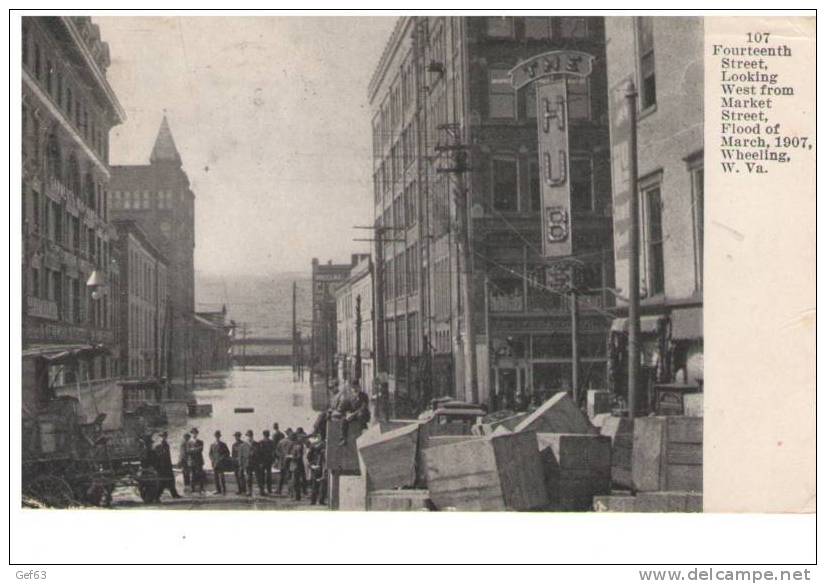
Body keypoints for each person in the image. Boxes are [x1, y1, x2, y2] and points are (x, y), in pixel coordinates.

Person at [335, 381, 371, 446]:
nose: (355, 389)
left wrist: (352, 414)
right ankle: (343, 439)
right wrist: (346, 414)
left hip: (363, 414)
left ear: (359, 387)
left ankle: (363, 434)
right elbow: (345, 407)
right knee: (344, 420)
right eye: (353, 388)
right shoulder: (350, 397)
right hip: (354, 415)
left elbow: (363, 407)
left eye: (356, 387)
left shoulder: (364, 396)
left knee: (361, 414)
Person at [153, 431, 181, 500]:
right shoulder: (158, 446)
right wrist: (158, 466)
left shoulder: (166, 445)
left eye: (165, 436)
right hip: (161, 466)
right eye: (162, 436)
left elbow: (168, 456)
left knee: (171, 480)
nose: (164, 438)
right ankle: (156, 497)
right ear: (160, 437)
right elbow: (157, 457)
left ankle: (174, 494)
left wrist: (170, 465)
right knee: (162, 481)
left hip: (167, 466)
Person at [209, 430, 231, 495]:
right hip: (214, 463)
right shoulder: (212, 445)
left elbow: (227, 453)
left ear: (219, 436)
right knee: (216, 477)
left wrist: (222, 458)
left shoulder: (223, 444)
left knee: (221, 476)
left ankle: (224, 490)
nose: (217, 437)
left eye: (218, 436)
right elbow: (210, 453)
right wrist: (212, 459)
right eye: (216, 436)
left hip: (221, 463)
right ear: (215, 437)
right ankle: (218, 490)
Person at [307, 437, 327, 506]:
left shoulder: (321, 447)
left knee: (321, 485)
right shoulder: (314, 448)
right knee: (316, 485)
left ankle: (318, 501)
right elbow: (309, 458)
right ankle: (315, 501)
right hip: (317, 467)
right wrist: (312, 466)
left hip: (320, 467)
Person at [275, 429, 295, 496]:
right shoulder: (292, 443)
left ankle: (279, 490)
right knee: (289, 476)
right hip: (289, 461)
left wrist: (280, 457)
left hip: (282, 461)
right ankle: (290, 491)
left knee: (281, 476)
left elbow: (277, 451)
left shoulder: (281, 441)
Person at [286, 434, 306, 501]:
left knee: (295, 482)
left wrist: (291, 457)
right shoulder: (295, 446)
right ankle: (296, 496)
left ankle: (296, 497)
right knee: (294, 482)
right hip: (294, 466)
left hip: (296, 466)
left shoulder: (298, 447)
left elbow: (299, 457)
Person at [187, 428, 205, 494]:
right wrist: (196, 449)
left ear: (197, 434)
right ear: (191, 434)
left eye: (195, 433)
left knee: (200, 474)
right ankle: (192, 489)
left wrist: (193, 449)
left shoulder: (200, 441)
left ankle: (201, 489)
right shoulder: (189, 442)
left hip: (199, 461)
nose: (194, 434)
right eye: (193, 433)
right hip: (192, 461)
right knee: (192, 475)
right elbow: (188, 451)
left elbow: (201, 449)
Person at [258, 430, 275, 495]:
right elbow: (273, 452)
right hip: (269, 461)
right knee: (268, 475)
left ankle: (262, 490)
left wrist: (259, 461)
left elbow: (258, 453)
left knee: (262, 475)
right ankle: (269, 489)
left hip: (262, 461)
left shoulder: (261, 442)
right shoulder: (271, 442)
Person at [244, 430, 260, 496]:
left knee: (258, 477)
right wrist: (242, 464)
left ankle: (261, 490)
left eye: (250, 436)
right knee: (248, 478)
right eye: (248, 436)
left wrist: (260, 462)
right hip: (247, 463)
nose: (249, 437)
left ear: (252, 436)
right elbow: (241, 456)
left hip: (256, 463)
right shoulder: (243, 445)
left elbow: (259, 454)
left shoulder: (256, 444)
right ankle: (249, 491)